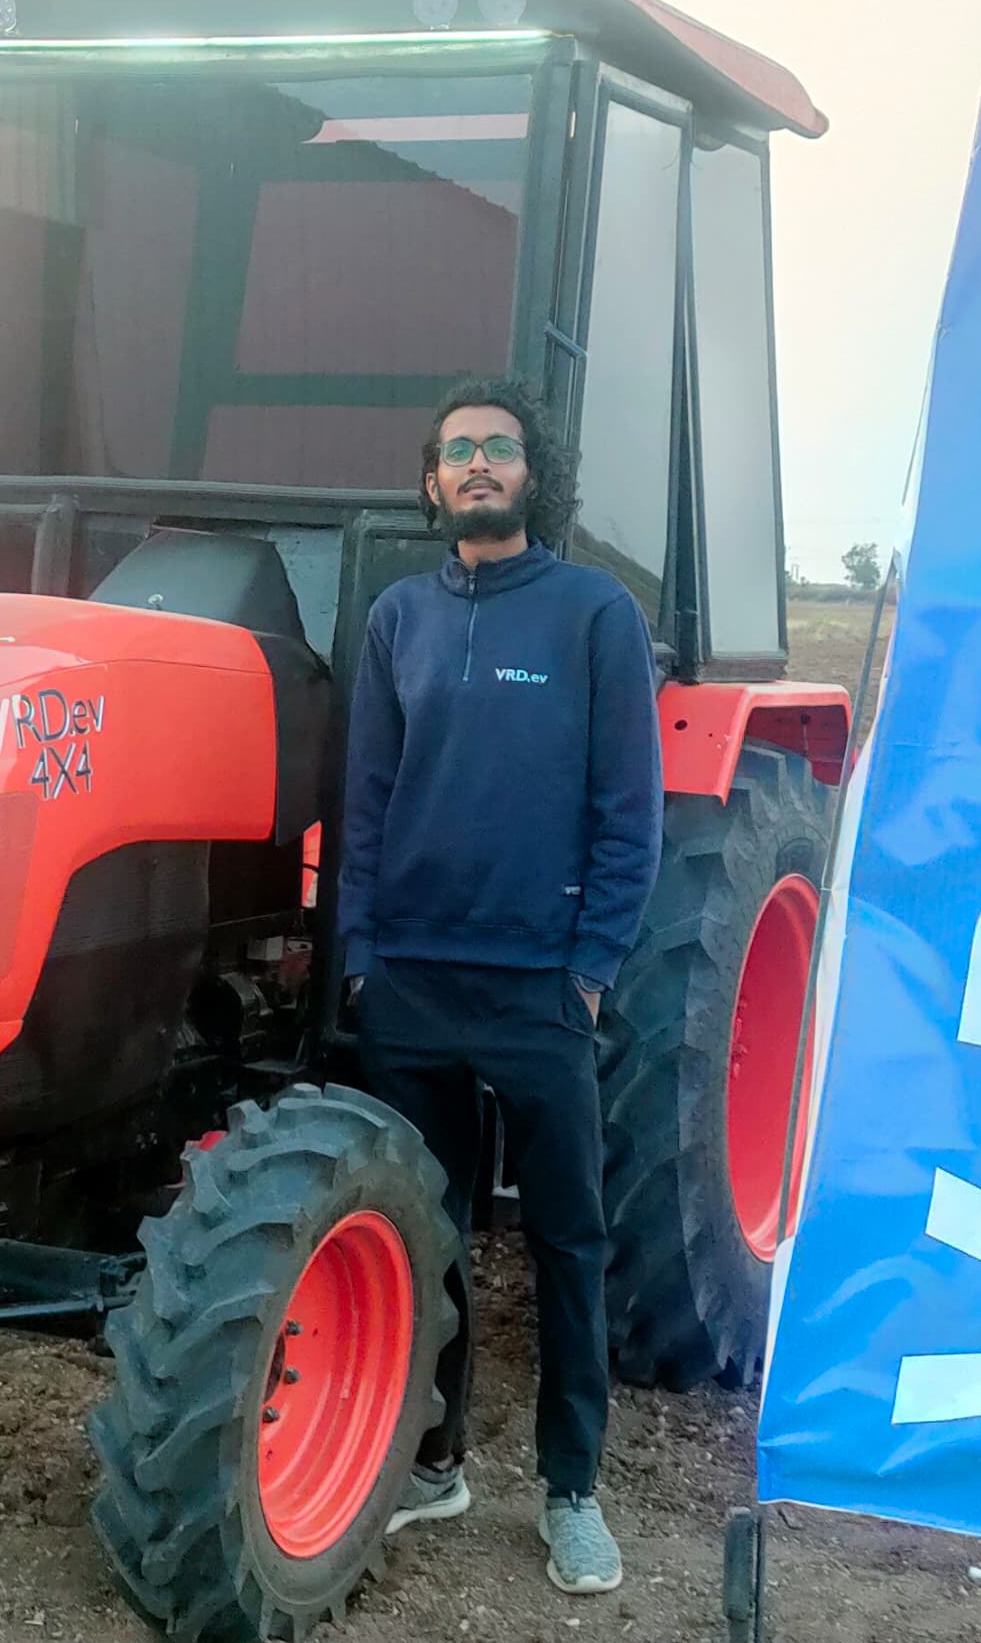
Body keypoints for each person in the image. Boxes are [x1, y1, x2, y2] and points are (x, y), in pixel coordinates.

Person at [335, 377, 659, 1597]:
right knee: (426, 1234)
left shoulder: (592, 615)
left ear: (533, 475)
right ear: (431, 481)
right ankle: (433, 1460)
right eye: (458, 451)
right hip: (412, 977)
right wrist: (361, 955)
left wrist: (586, 976)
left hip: (537, 988)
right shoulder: (399, 618)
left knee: (568, 1242)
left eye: (500, 449)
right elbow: (364, 802)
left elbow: (628, 816)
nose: (478, 465)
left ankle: (572, 1489)